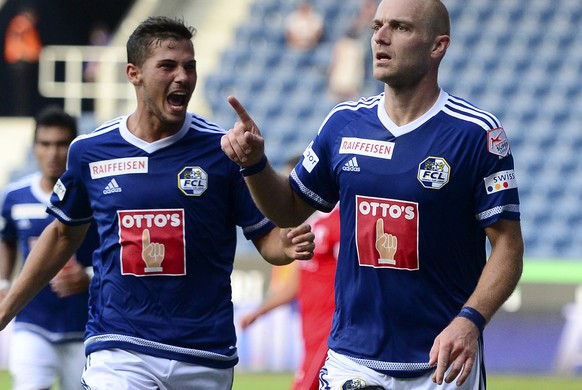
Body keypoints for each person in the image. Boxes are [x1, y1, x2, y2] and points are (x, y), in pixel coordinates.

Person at [220, 0, 524, 389]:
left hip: (442, 363)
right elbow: (290, 209)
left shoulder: (477, 134)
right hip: (354, 360)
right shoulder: (343, 124)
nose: (379, 37)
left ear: (438, 46)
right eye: (378, 25)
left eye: (400, 27)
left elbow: (508, 247)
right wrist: (254, 165)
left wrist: (470, 320)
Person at [0, 16, 315, 390]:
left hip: (203, 353)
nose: (182, 76)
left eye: (190, 66)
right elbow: (62, 235)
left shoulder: (221, 151)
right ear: (133, 73)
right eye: (168, 66)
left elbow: (268, 243)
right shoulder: (91, 152)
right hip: (120, 346)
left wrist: (288, 243)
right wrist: (6, 308)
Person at [0, 106, 98, 390]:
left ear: (74, 147)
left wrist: (89, 276)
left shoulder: (97, 197)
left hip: (85, 327)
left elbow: (116, 250)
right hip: (32, 324)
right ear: (34, 148)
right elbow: (6, 239)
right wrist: (4, 281)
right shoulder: (14, 197)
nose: (53, 153)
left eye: (61, 144)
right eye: (45, 144)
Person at [240, 156, 339, 390]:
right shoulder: (306, 228)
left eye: (291, 181)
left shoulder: (339, 222)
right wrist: (260, 312)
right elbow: (297, 283)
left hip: (331, 328)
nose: (287, 188)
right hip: (310, 327)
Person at [3, 5, 43, 116]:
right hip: (20, 62)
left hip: (21, 61)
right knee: (21, 93)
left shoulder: (22, 24)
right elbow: (18, 39)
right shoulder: (22, 23)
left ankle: (22, 112)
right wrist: (23, 54)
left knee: (23, 92)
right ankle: (21, 113)